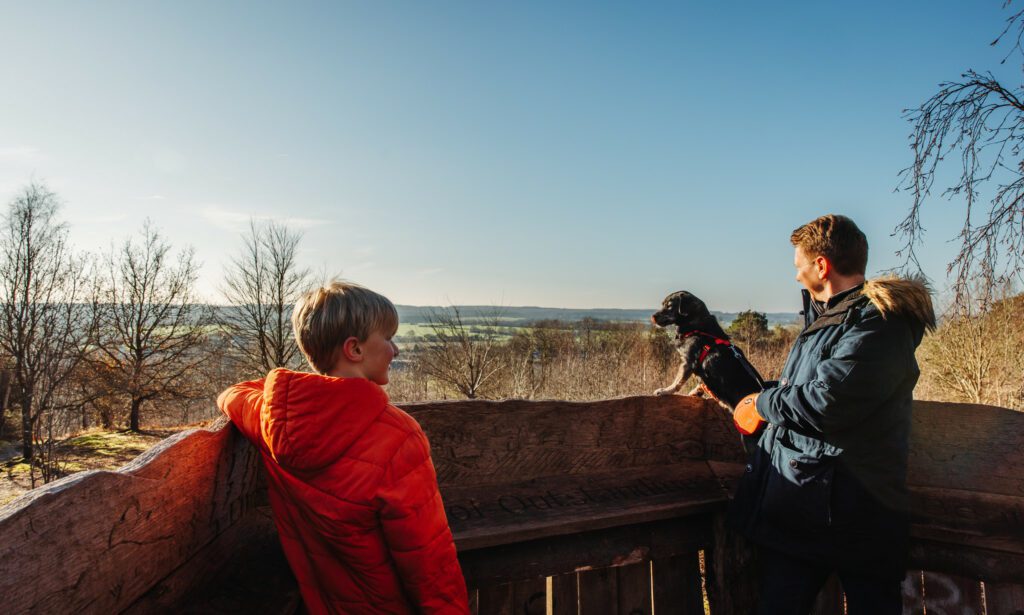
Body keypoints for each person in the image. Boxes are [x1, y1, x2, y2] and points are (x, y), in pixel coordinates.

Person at [217, 281, 469, 614]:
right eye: (388, 339)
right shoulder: (397, 437)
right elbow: (428, 562)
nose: (396, 350)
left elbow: (232, 394)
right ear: (355, 350)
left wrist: (289, 390)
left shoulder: (272, 422)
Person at [729, 215, 935, 615]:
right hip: (806, 509)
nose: (797, 276)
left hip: (858, 516)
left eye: (798, 267)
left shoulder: (878, 321)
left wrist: (762, 405)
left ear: (821, 265)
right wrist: (758, 393)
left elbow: (828, 401)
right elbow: (808, 386)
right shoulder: (832, 318)